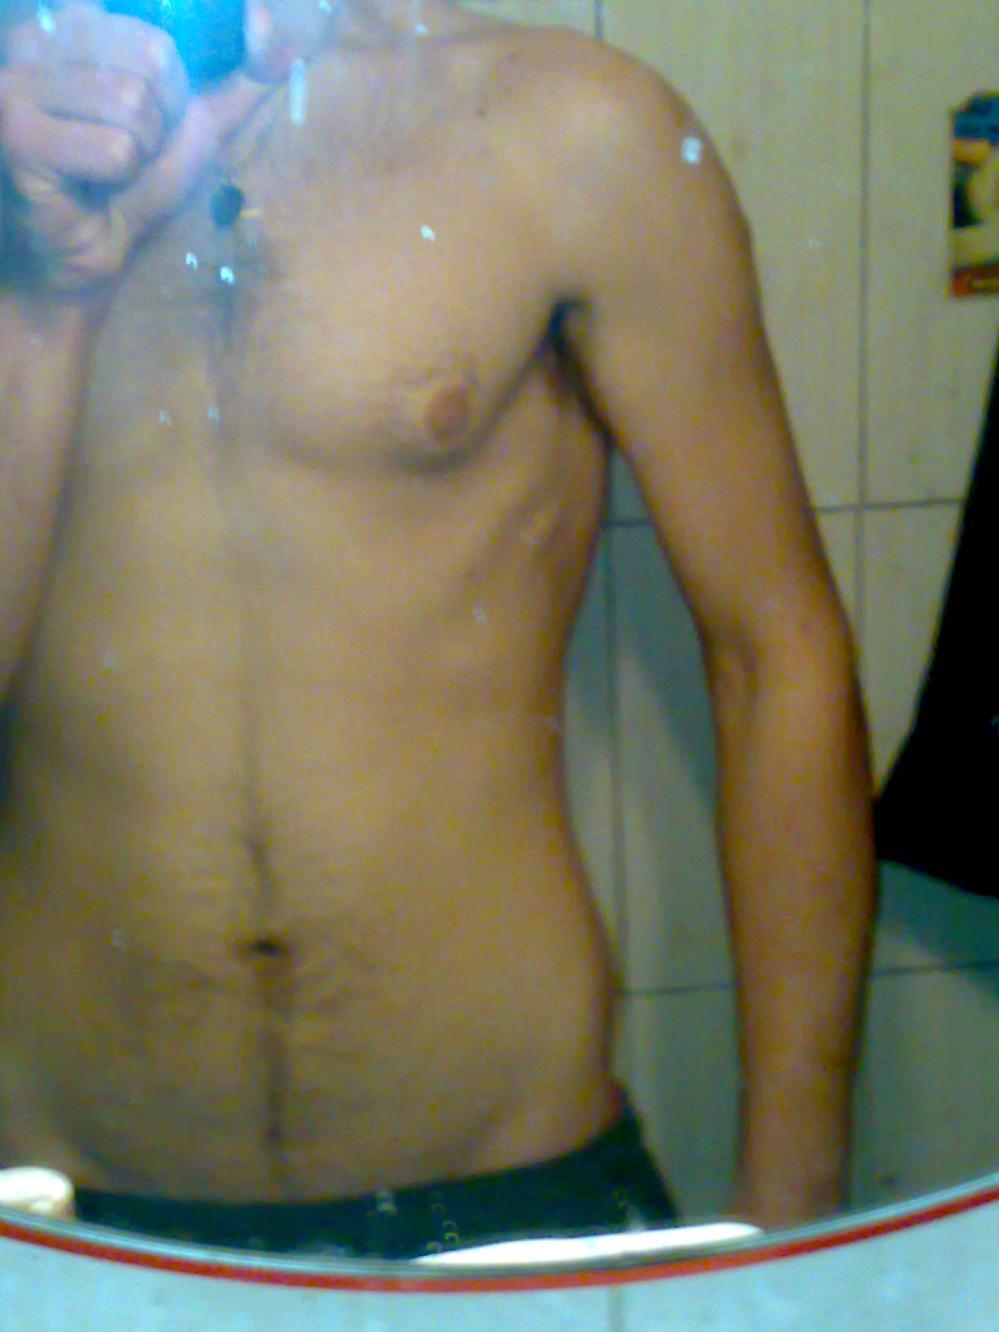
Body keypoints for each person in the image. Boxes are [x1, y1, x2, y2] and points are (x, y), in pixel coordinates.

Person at [0, 0, 877, 1257]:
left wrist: (794, 1217)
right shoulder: (12, 172)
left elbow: (774, 655)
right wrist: (43, 298)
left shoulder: (568, 129)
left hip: (505, 1174)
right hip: (60, 1201)